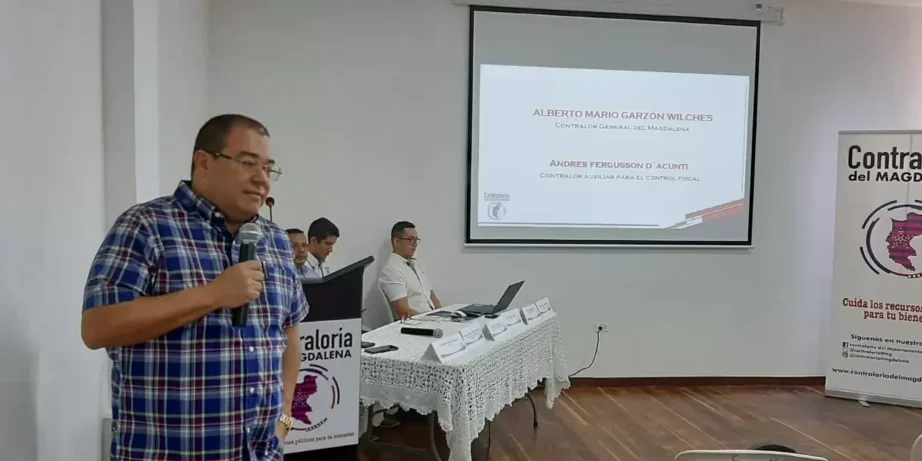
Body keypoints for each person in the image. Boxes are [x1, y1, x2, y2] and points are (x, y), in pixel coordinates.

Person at [81, 114, 308, 461]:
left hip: (260, 453)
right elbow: (98, 327)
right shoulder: (147, 225)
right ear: (203, 162)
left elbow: (289, 331)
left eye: (268, 168)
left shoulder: (275, 239)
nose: (262, 179)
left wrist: (285, 418)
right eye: (248, 163)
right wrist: (213, 295)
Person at [377, 221, 442, 320]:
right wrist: (432, 320)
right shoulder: (391, 270)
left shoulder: (415, 265)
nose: (415, 244)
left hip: (432, 320)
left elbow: (433, 298)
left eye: (416, 240)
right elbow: (403, 311)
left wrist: (444, 316)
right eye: (411, 240)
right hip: (417, 324)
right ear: (396, 241)